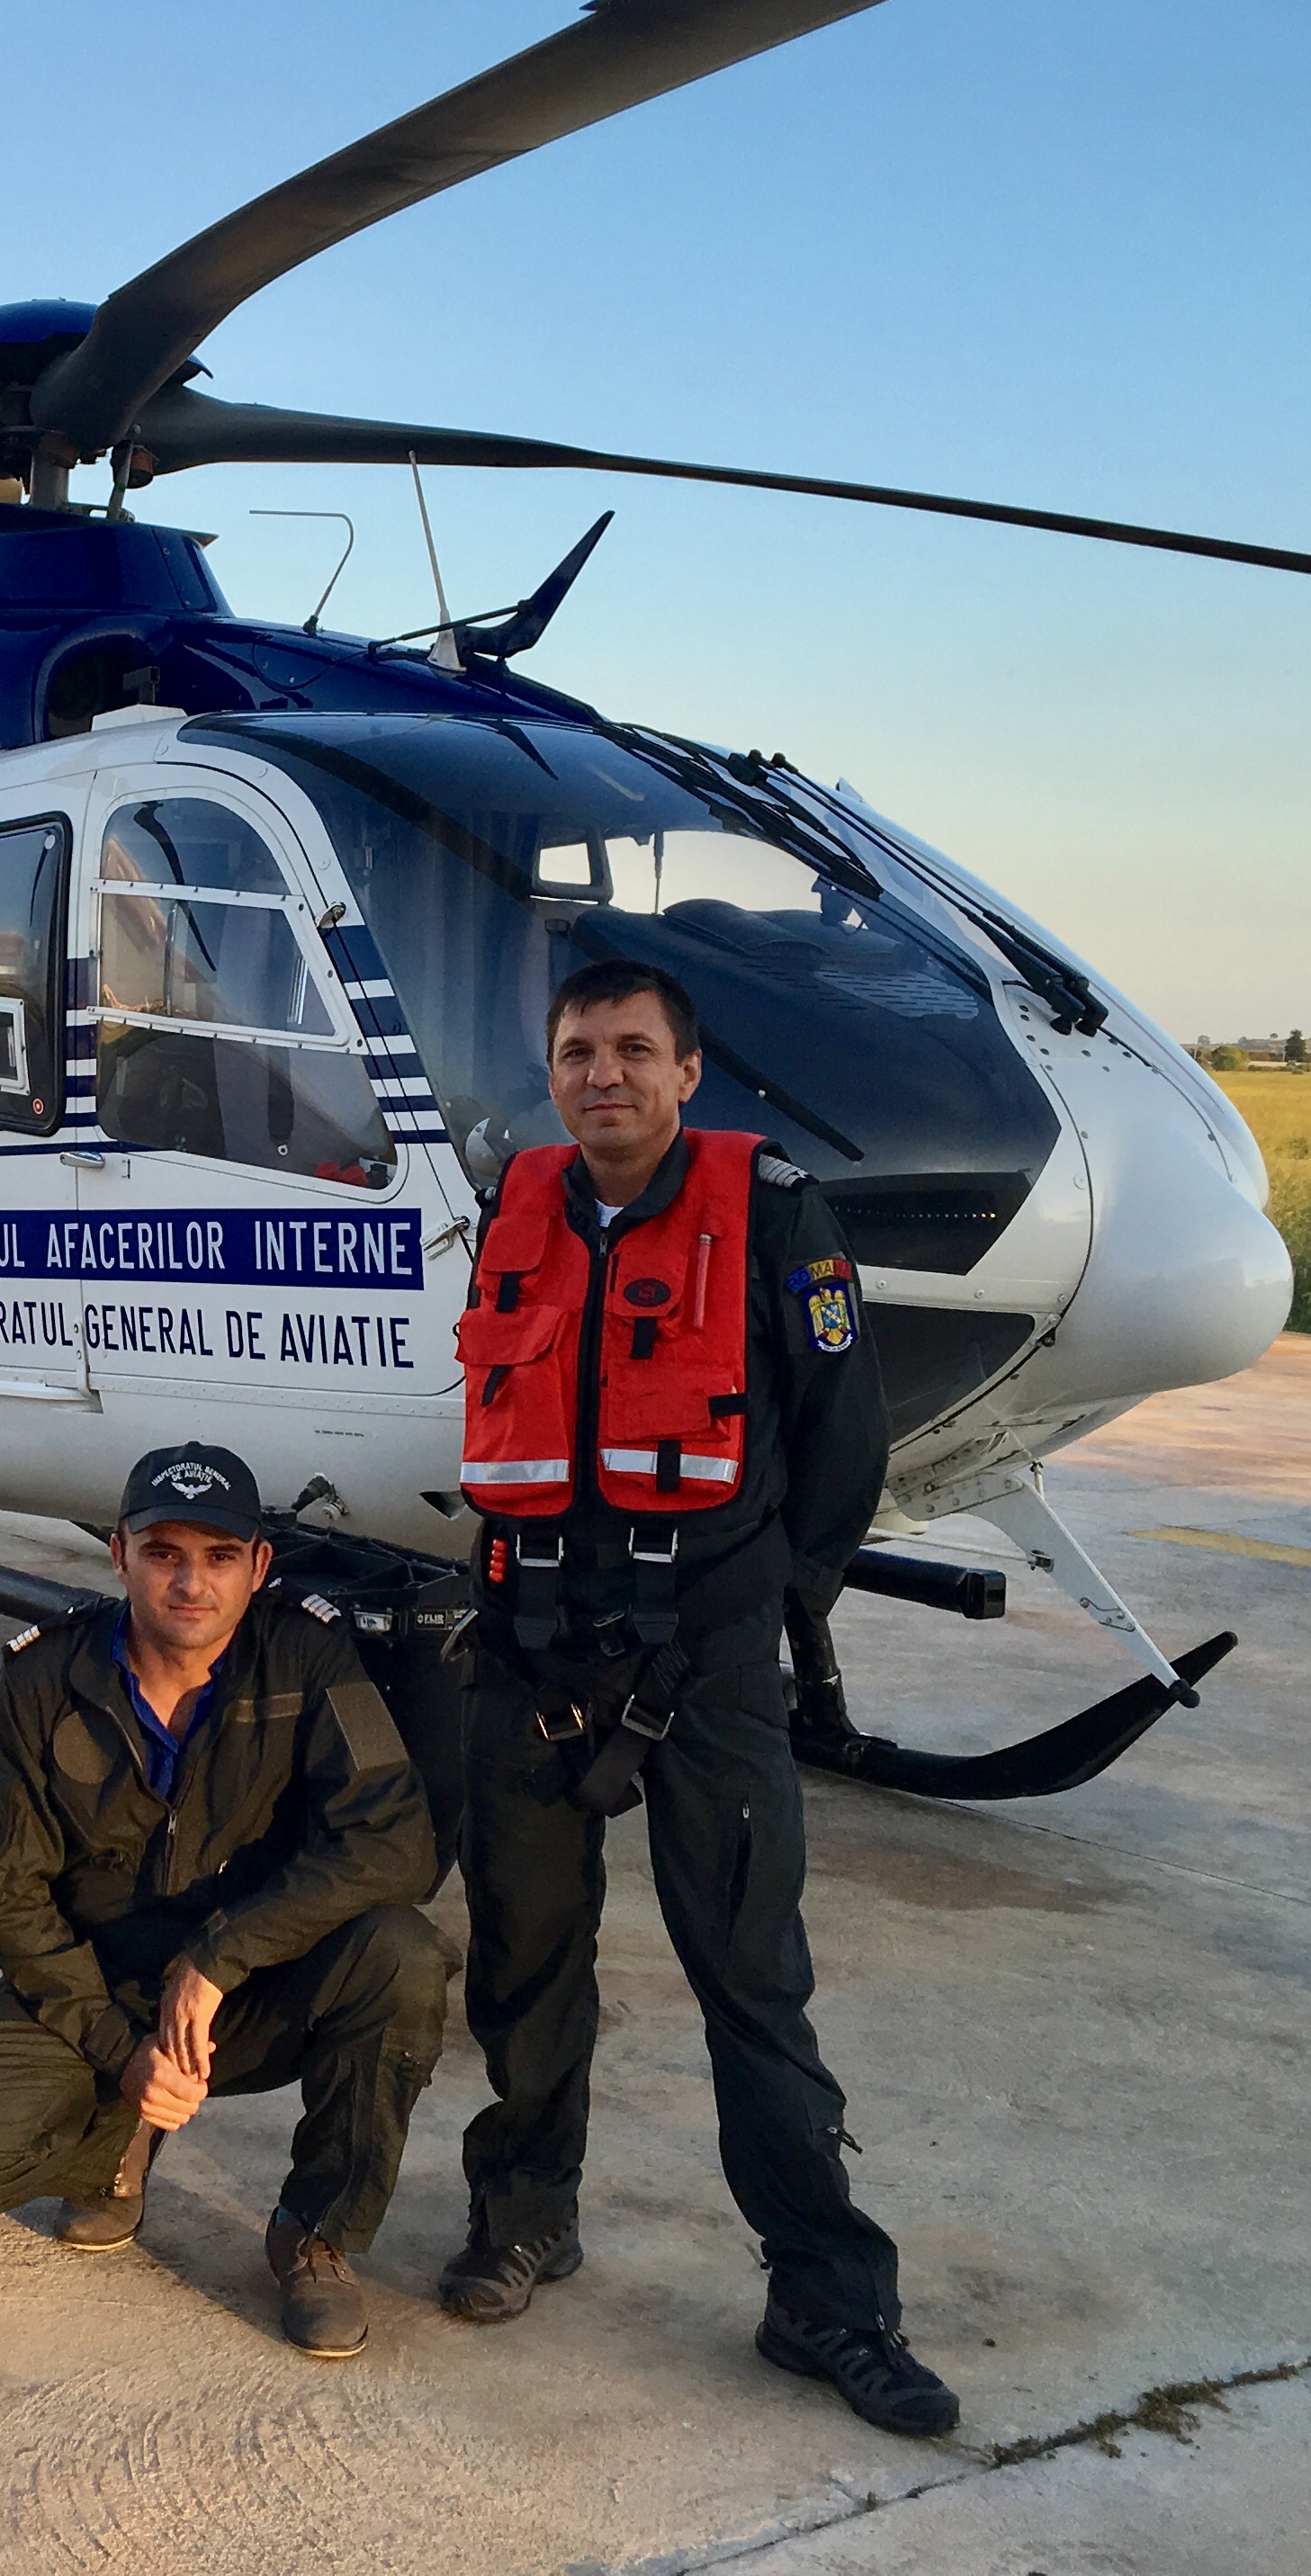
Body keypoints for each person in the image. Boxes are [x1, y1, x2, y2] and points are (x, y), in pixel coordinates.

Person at [444, 956, 953, 2436]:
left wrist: (767, 1612)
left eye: (630, 1049)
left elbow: (839, 1441)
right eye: (576, 1049)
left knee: (751, 1980)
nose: (600, 1073)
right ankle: (525, 2206)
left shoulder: (775, 1206)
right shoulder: (518, 1203)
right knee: (523, 1959)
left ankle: (826, 2298)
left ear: (686, 1072)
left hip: (707, 1664)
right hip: (531, 1651)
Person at [0, 1443, 448, 2358]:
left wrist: (222, 1954)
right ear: (120, 1555)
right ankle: (120, 2132)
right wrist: (120, 2049)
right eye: (165, 1554)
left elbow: (396, 1841)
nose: (192, 1583)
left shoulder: (305, 1656)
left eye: (220, 1557)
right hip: (94, 1987)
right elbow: (3, 1888)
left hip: (249, 1990)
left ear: (260, 1566)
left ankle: (316, 2233)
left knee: (402, 1956)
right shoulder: (45, 1677)